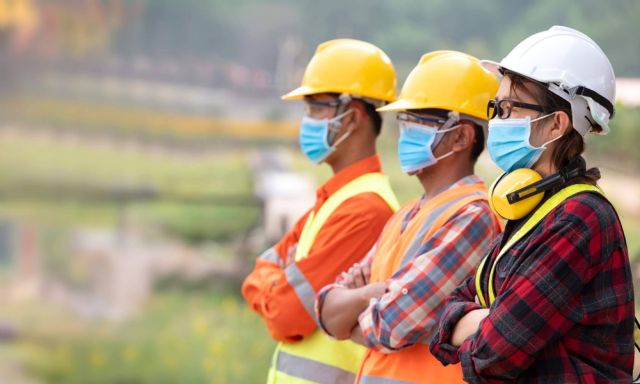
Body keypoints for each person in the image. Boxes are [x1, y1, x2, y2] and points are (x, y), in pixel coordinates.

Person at [429, 26, 634, 383]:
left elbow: (492, 356)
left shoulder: (579, 218)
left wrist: (481, 319)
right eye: (496, 107)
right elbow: (443, 321)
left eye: (508, 108)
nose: (496, 120)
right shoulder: (535, 207)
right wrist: (489, 318)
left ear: (556, 123)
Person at [315, 50, 502, 383]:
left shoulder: (473, 217)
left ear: (461, 136)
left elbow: (390, 325)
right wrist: (369, 295)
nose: (406, 132)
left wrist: (361, 308)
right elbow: (326, 312)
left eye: (419, 120)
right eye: (405, 120)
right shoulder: (405, 214)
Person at [241, 38, 400, 383]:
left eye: (317, 108)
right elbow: (258, 273)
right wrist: (280, 280)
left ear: (353, 118)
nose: (308, 120)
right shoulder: (334, 199)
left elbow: (286, 316)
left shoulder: (365, 209)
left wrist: (285, 276)